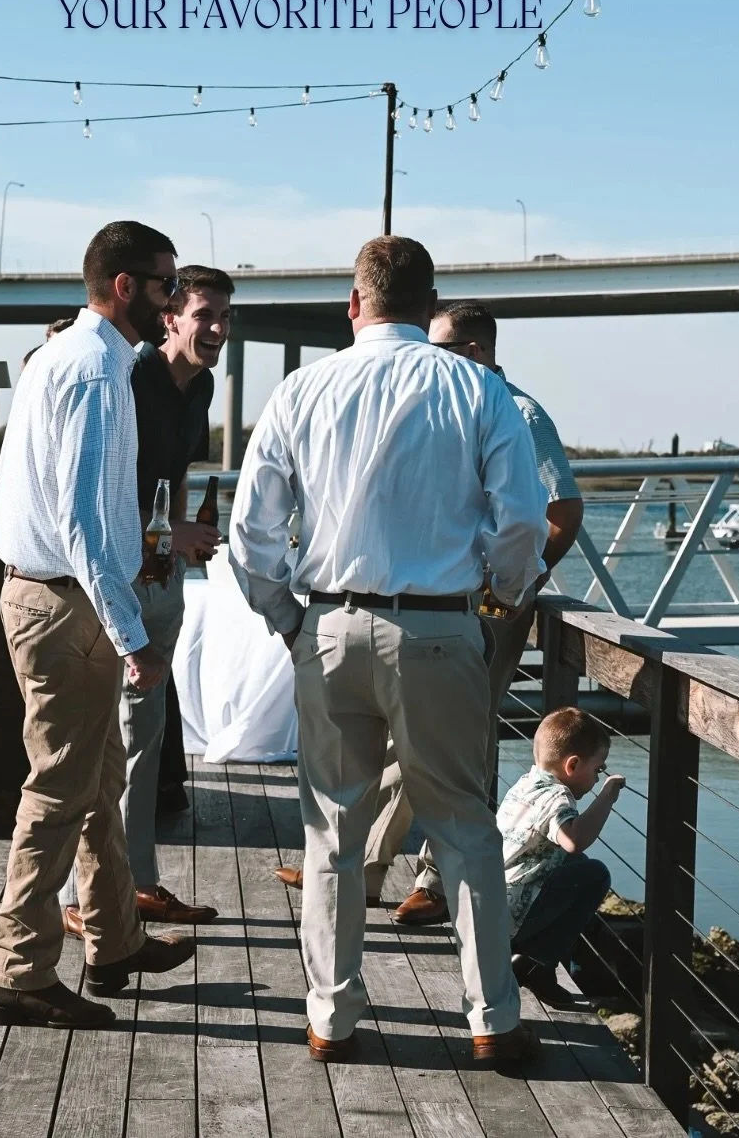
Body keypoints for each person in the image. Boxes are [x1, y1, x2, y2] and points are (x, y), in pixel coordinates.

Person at [229, 236, 549, 1064]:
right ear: (428, 302)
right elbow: (521, 522)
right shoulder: (477, 387)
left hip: (329, 626)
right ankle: (492, 1022)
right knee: (463, 827)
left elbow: (251, 536)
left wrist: (288, 619)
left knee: (332, 831)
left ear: (353, 304)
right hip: (440, 627)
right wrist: (498, 603)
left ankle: (331, 1021)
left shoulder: (301, 389)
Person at [275, 299, 584, 917]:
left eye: (437, 347)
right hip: (436, 607)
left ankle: (432, 884)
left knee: (459, 753)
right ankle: (370, 871)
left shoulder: (518, 411)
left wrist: (508, 588)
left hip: (485, 604)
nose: (422, 357)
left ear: (472, 350)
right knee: (414, 747)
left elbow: (561, 511)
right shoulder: (451, 400)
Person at [0, 219, 196, 1030]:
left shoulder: (62, 360)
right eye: (165, 285)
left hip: (55, 596)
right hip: (67, 603)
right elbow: (79, 520)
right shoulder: (96, 374)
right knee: (59, 791)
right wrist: (132, 634)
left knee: (98, 781)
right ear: (124, 288)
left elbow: (86, 513)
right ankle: (19, 973)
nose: (174, 301)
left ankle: (113, 942)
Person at [60, 264, 233, 933]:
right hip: (114, 581)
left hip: (161, 576)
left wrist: (179, 545)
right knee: (109, 740)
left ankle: (137, 883)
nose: (215, 329)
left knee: (147, 736)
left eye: (224, 317)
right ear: (171, 317)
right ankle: (85, 899)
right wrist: (169, 531)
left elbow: (177, 474)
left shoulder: (203, 385)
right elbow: (101, 496)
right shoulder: (130, 378)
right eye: (203, 315)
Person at [498, 707, 623, 1008]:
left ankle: (539, 962)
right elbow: (573, 839)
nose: (597, 779)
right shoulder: (557, 797)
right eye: (597, 770)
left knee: (576, 867)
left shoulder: (526, 783)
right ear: (573, 765)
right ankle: (536, 962)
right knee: (595, 875)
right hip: (512, 916)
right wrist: (606, 797)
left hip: (492, 901)